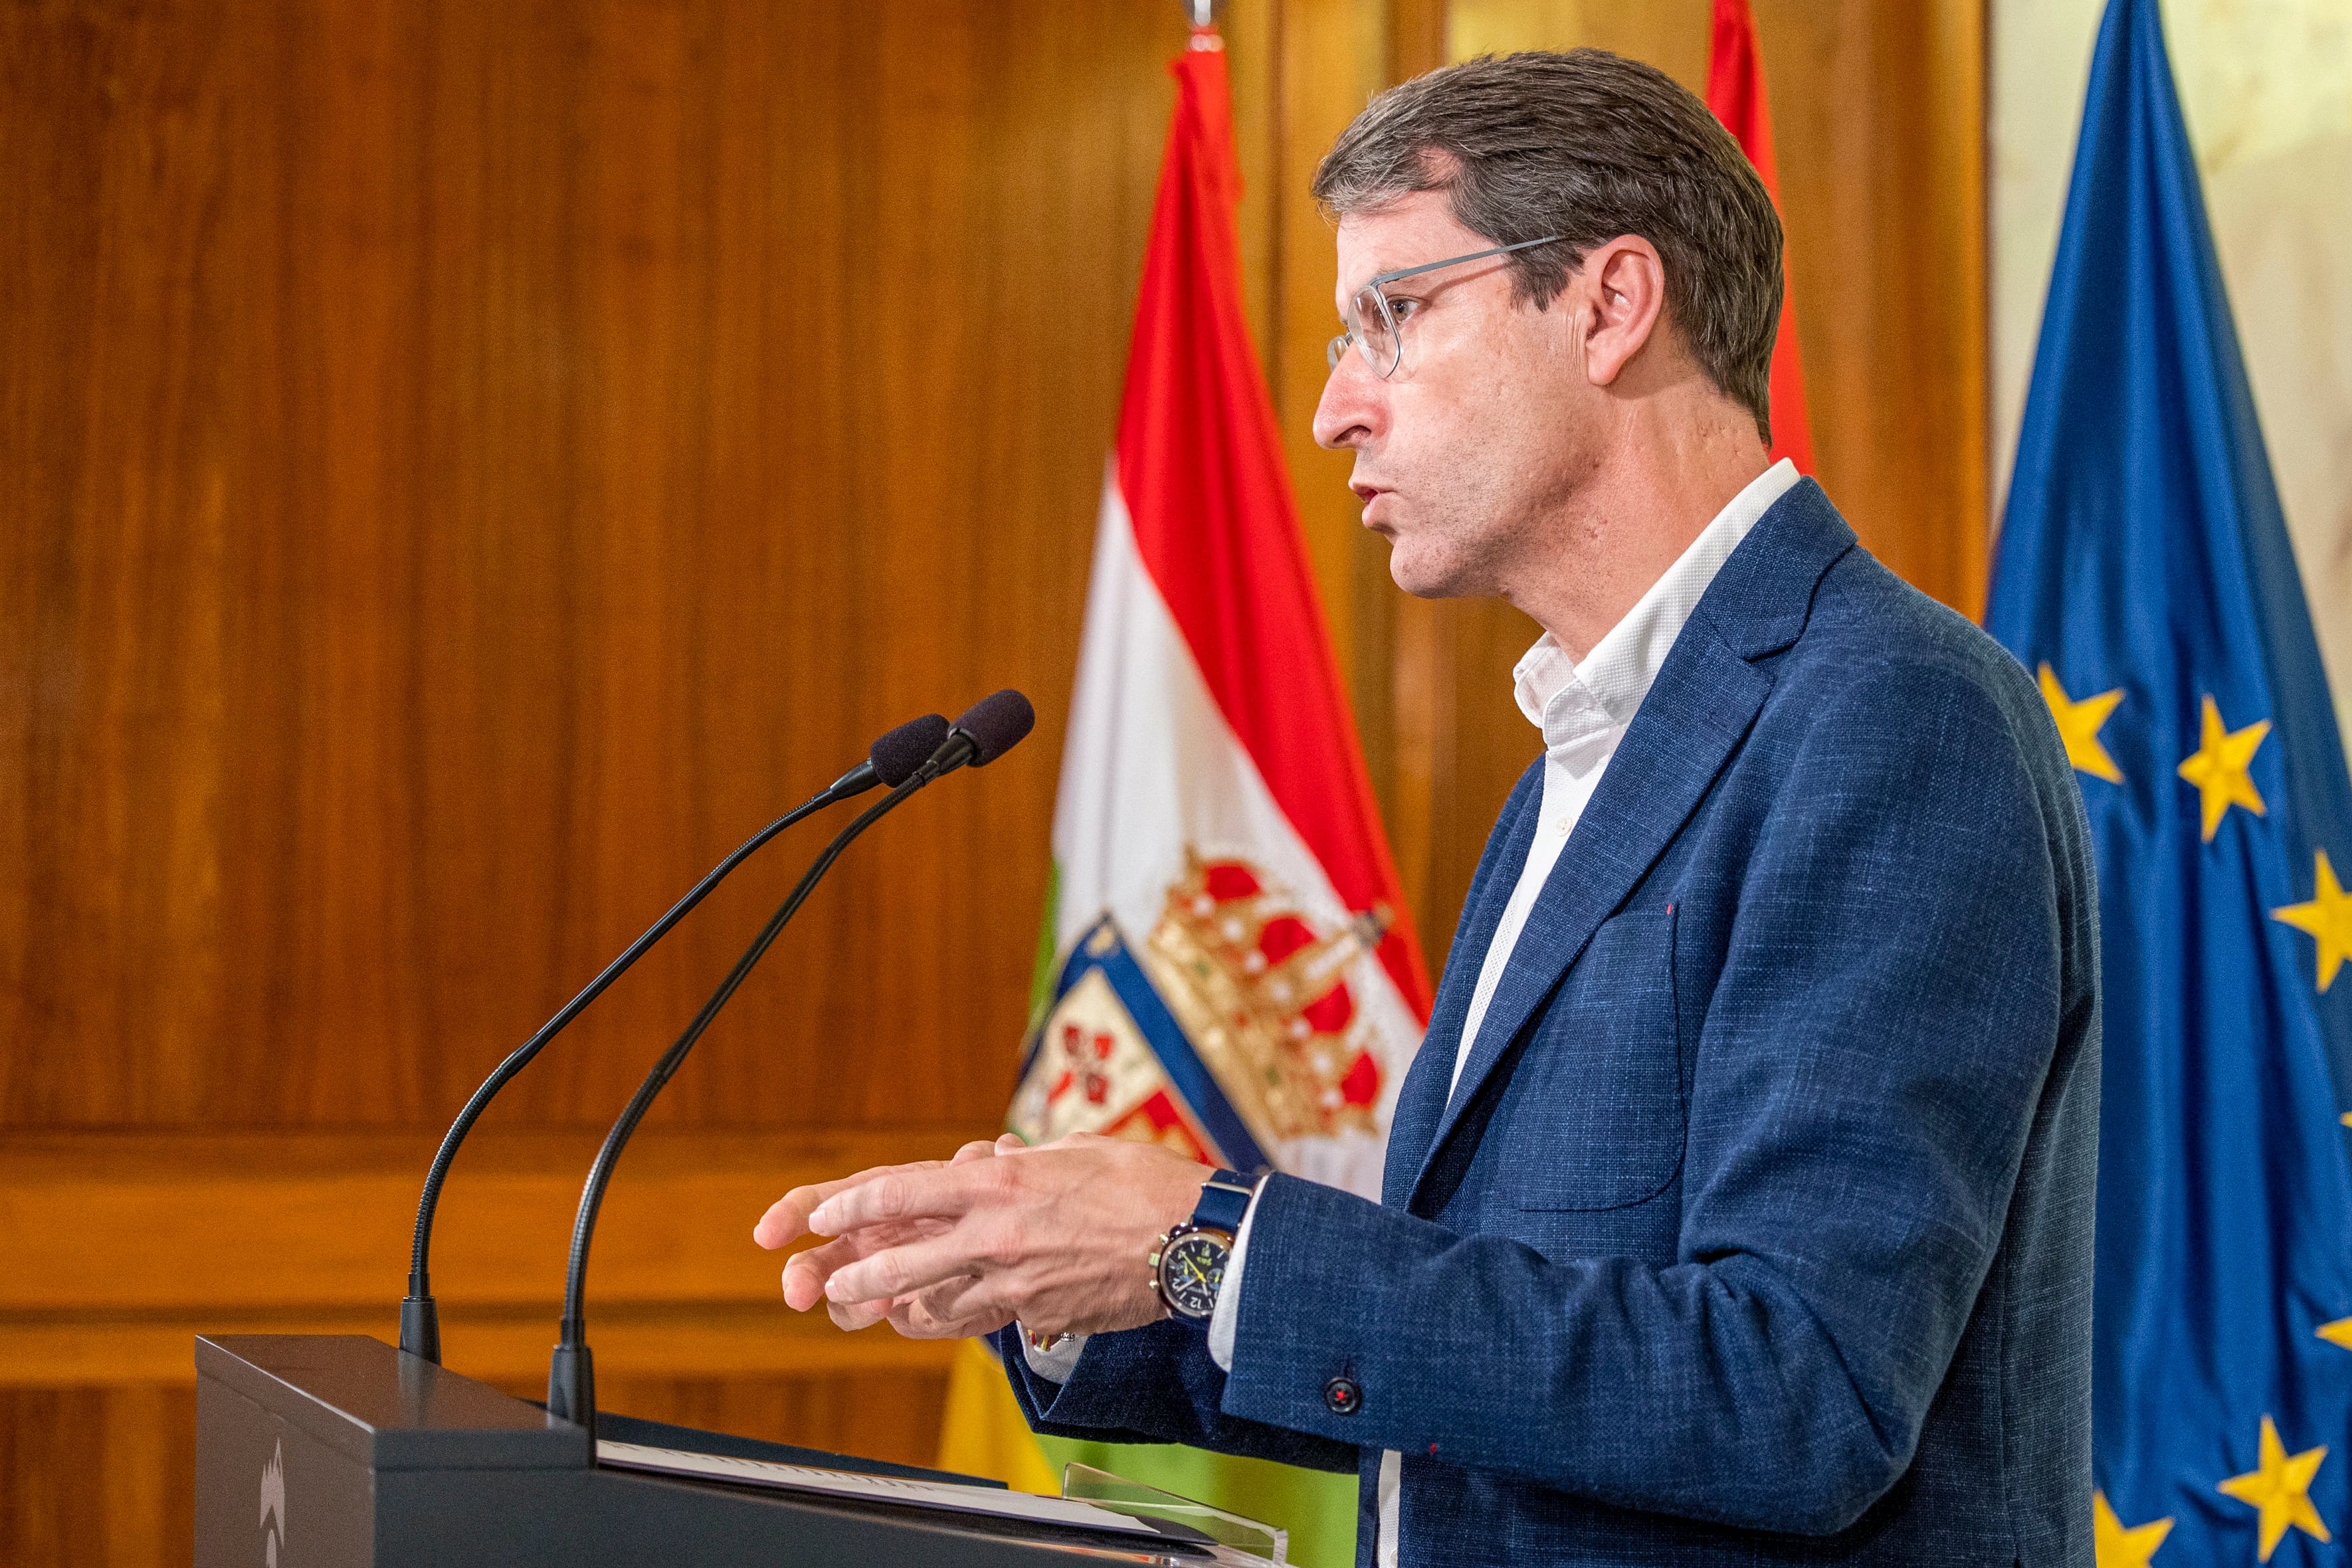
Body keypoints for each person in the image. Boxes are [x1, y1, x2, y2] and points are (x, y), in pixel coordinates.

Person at [755, 49, 2098, 1567]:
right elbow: (1501, 1354)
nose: (1333, 408)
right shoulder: (1576, 760)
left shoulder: (1887, 714)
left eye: (1393, 318)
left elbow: (1794, 1388)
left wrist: (1205, 1239)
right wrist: (1083, 1280)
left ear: (1609, 302)